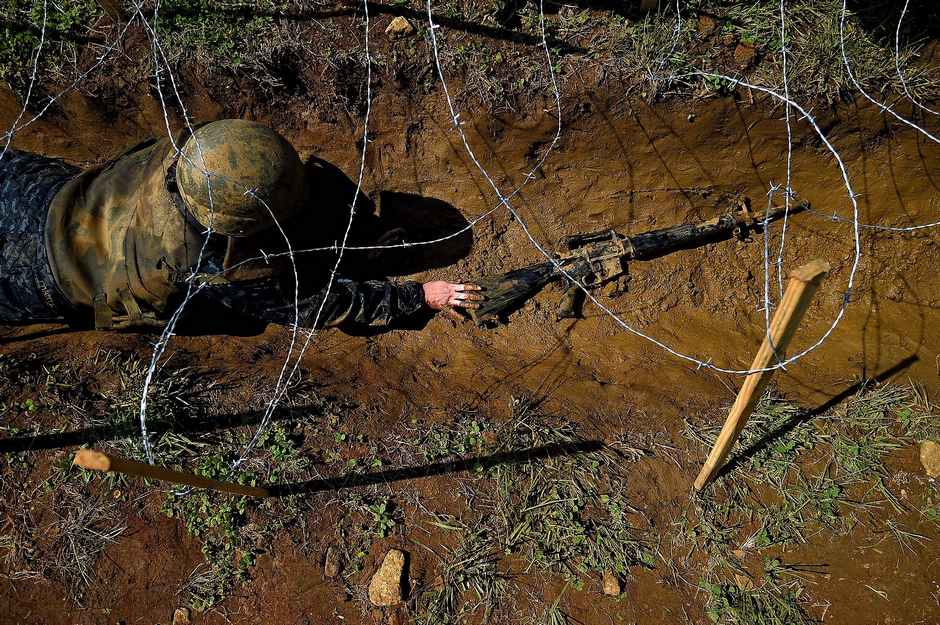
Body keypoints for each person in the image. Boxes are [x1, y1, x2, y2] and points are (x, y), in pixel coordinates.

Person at [0, 119, 484, 330]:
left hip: (42, 192)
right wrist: (417, 297)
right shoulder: (216, 265)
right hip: (40, 278)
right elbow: (314, 306)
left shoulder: (209, 150)